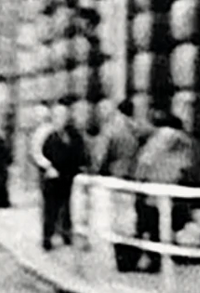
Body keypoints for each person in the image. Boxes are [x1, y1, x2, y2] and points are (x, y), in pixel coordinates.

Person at [132, 104, 194, 269]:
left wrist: (140, 181)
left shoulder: (160, 138)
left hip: (154, 188)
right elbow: (186, 166)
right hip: (172, 188)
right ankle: (160, 255)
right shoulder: (182, 140)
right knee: (165, 224)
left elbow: (145, 161)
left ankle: (153, 258)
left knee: (151, 224)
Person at [91, 98, 146, 270]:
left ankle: (122, 260)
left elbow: (101, 156)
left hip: (117, 178)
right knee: (132, 221)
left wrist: (98, 172)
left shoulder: (111, 129)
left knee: (119, 222)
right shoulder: (138, 129)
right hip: (136, 179)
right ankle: (132, 257)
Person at [34, 100, 87, 250]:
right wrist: (48, 167)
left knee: (67, 207)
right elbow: (38, 154)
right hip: (51, 178)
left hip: (67, 177)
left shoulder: (73, 135)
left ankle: (66, 234)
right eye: (58, 115)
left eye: (64, 115)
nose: (61, 119)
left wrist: (79, 167)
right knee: (50, 209)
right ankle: (47, 238)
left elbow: (79, 153)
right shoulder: (48, 134)